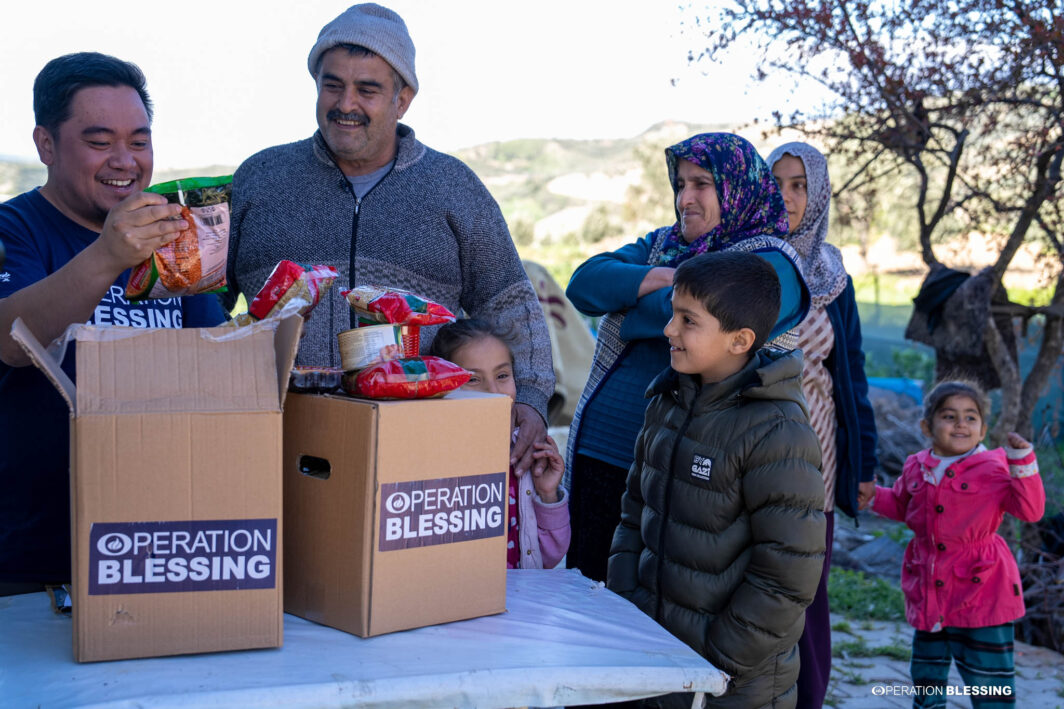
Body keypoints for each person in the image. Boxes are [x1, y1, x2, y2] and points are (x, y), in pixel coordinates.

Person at [224, 3, 554, 477]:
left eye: (368, 89)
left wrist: (534, 399)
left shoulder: (453, 187)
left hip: (422, 452)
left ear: (404, 99)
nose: (345, 104)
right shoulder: (261, 179)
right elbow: (206, 305)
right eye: (332, 84)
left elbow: (509, 299)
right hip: (273, 444)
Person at [0, 53, 226, 593]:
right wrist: (107, 256)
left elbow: (218, 360)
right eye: (100, 142)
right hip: (30, 556)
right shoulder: (16, 228)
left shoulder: (172, 234)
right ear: (46, 145)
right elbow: (12, 339)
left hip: (156, 541)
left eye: (140, 142)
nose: (124, 161)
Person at [564, 132, 810, 582]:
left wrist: (630, 301)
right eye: (680, 185)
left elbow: (680, 314)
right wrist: (663, 275)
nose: (685, 199)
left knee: (654, 605)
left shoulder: (774, 265)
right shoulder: (664, 246)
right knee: (587, 600)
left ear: (738, 188)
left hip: (686, 466)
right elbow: (582, 285)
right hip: (604, 447)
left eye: (701, 184)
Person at [608, 251, 825, 708]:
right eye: (673, 313)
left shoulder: (777, 430)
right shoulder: (666, 400)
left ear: (739, 340)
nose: (669, 329)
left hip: (732, 684)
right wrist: (627, 607)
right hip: (655, 660)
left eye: (688, 320)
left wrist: (718, 659)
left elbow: (788, 575)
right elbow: (633, 514)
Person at [767, 140, 880, 708]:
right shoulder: (747, 259)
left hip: (816, 455)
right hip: (754, 451)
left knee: (807, 591)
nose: (786, 196)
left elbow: (850, 372)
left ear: (818, 195)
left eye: (799, 185)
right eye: (778, 182)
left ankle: (809, 696)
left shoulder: (833, 275)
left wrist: (863, 466)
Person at [867, 380, 1044, 707]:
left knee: (990, 685)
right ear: (927, 426)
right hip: (931, 591)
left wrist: (1023, 461)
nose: (961, 424)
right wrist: (872, 497)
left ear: (982, 429)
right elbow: (905, 508)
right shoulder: (916, 466)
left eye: (970, 417)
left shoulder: (994, 468)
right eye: (949, 416)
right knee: (927, 679)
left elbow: (1031, 511)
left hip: (983, 593)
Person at [429, 318, 570, 569]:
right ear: (442, 386)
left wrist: (548, 494)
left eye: (502, 375)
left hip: (520, 602)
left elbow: (548, 557)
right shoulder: (435, 457)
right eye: (473, 379)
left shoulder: (526, 453)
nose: (493, 390)